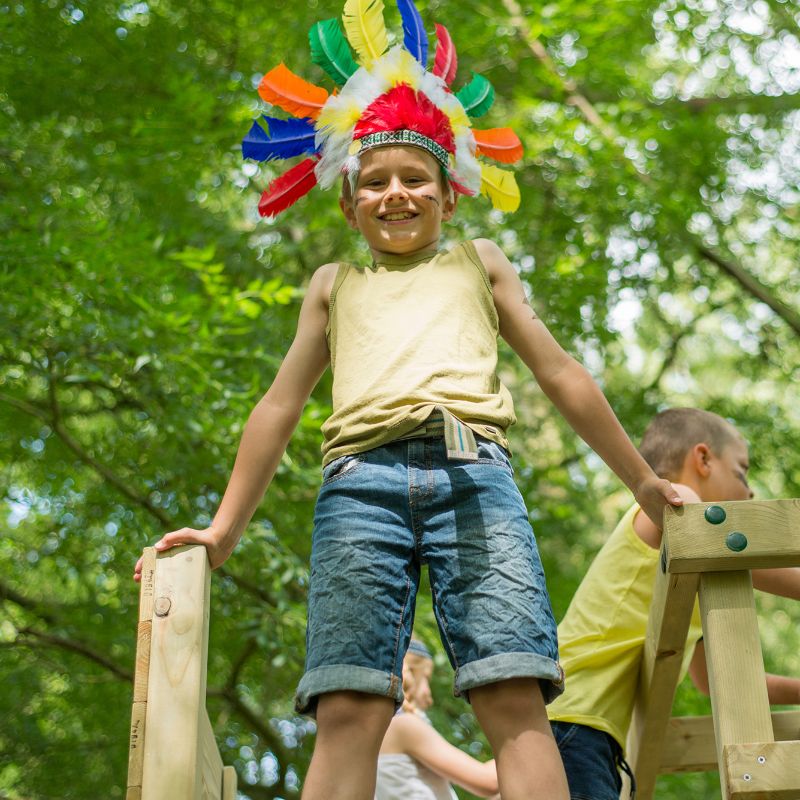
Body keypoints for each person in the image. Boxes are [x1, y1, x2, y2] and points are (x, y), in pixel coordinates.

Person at [134, 2, 685, 797]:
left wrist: (639, 478)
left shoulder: (479, 263)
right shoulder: (333, 285)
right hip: (360, 489)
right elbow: (280, 407)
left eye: (416, 179)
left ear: (449, 194)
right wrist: (224, 529)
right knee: (350, 698)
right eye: (377, 182)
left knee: (512, 686)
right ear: (349, 201)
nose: (396, 194)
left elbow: (560, 373)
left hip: (477, 481)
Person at [547, 407, 800, 800]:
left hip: (585, 728)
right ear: (702, 459)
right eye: (741, 471)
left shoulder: (689, 581)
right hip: (574, 721)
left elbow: (711, 682)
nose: (750, 492)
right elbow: (721, 541)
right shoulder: (677, 503)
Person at [375, 639, 498, 800]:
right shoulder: (404, 726)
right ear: (408, 674)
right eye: (425, 678)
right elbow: (489, 782)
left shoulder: (374, 731)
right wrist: (530, 742)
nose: (428, 696)